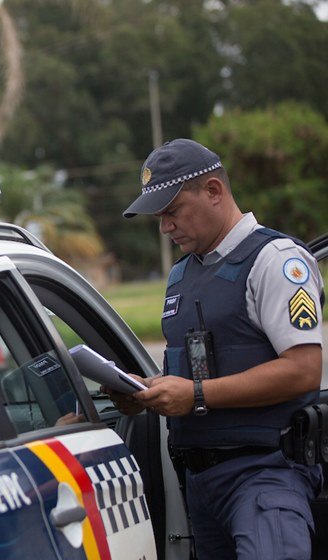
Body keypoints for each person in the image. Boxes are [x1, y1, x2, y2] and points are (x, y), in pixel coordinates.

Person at [115, 138, 324, 559]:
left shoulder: (275, 261)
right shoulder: (181, 275)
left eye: (172, 212)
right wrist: (147, 390)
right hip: (200, 484)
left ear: (213, 191)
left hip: (264, 477)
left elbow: (304, 370)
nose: (165, 227)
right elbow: (200, 367)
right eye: (159, 217)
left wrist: (193, 396)